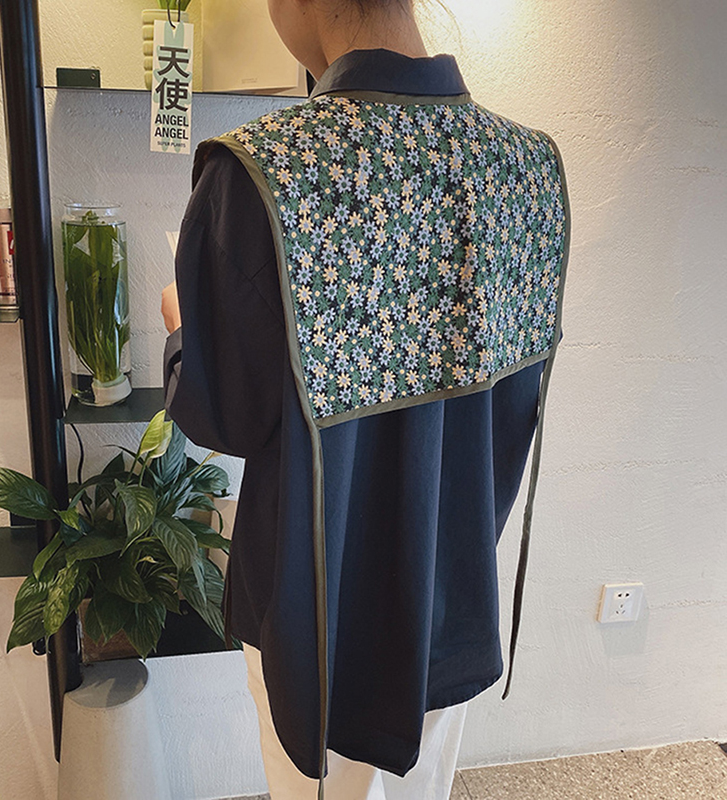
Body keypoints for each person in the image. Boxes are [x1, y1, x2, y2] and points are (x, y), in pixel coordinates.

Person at [161, 0, 570, 797]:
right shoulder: (524, 166)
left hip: (311, 613)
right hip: (452, 591)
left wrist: (183, 333)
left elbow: (227, 415)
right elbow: (511, 409)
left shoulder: (263, 171)